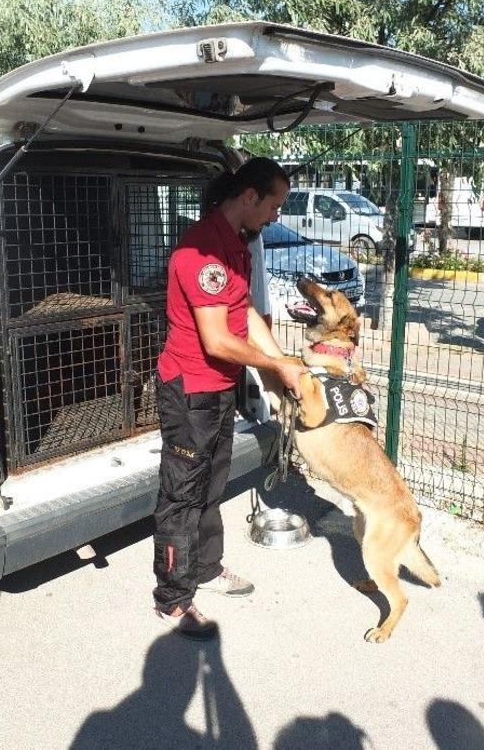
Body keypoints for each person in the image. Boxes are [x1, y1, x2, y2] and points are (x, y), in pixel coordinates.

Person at [153, 157, 307, 640]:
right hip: (189, 390)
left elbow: (247, 315)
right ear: (249, 196)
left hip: (219, 388)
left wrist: (281, 364)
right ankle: (173, 599)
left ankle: (206, 567)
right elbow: (218, 340)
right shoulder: (202, 252)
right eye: (274, 205)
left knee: (211, 485)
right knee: (182, 495)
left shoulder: (237, 245)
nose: (276, 216)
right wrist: (276, 366)